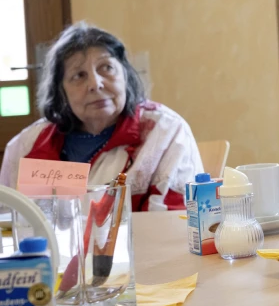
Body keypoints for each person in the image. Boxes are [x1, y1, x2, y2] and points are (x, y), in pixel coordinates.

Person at [0, 22, 203, 211]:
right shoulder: (27, 144)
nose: (95, 84)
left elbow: (173, 221)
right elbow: (10, 220)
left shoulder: (165, 132)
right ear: (60, 91)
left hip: (139, 248)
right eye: (78, 75)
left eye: (106, 68)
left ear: (125, 75)